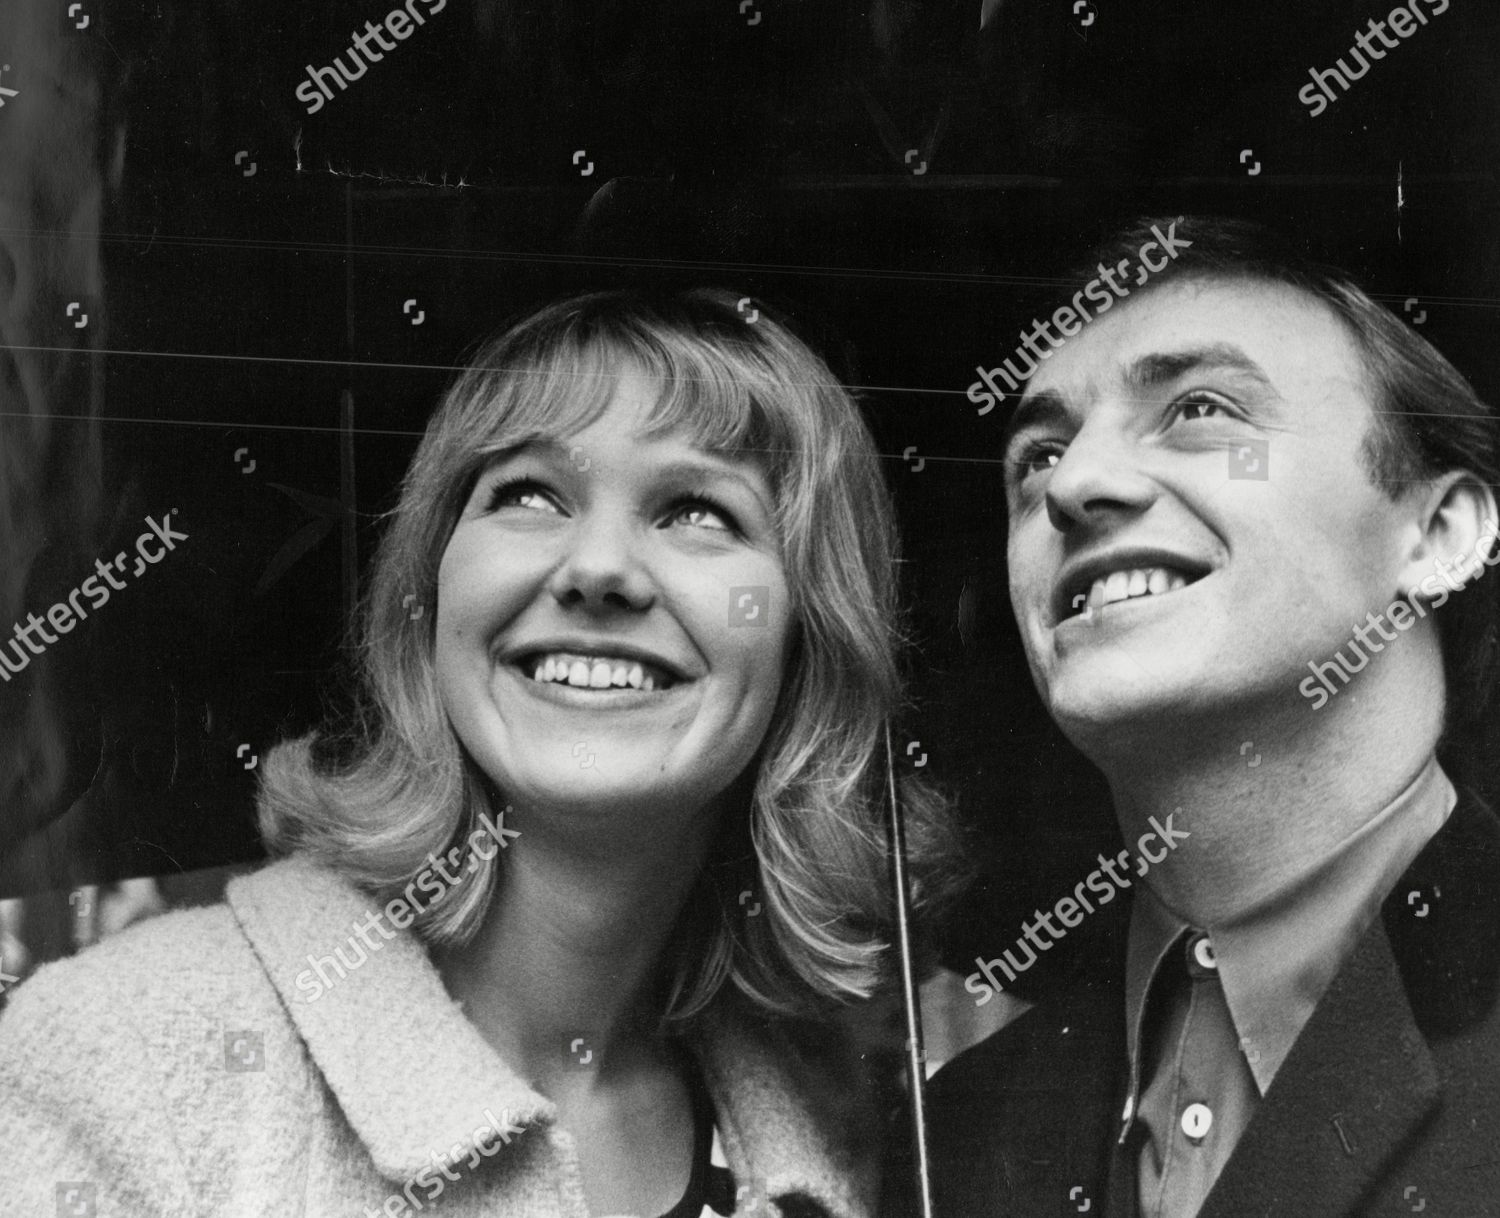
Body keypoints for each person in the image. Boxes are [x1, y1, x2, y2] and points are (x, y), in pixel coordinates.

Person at [0, 288, 961, 1218]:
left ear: (809, 643)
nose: (597, 570)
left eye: (698, 512)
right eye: (532, 493)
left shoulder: (845, 1140)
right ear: (430, 599)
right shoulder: (125, 1054)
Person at [895, 217, 1500, 1216]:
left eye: (1199, 408)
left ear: (1439, 534)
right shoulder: (949, 1137)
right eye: (1038, 454)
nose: (1074, 485)